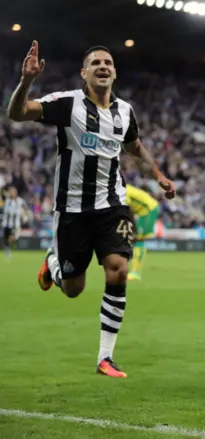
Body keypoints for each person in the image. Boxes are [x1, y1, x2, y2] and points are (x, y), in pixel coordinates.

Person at [7, 41, 175, 377]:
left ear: (114, 72)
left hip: (112, 205)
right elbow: (18, 113)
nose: (103, 66)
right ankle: (53, 264)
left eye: (108, 63)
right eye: (95, 62)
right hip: (72, 209)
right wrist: (26, 80)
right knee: (73, 288)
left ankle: (105, 357)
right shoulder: (67, 103)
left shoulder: (125, 111)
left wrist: (157, 175)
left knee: (118, 269)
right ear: (84, 73)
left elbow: (135, 148)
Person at [125, 184, 160, 281]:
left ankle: (135, 273)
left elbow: (128, 210)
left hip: (148, 210)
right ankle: (126, 267)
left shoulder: (121, 191)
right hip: (143, 211)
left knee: (138, 239)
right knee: (132, 240)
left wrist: (133, 229)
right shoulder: (122, 187)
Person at [2, 186, 28, 261]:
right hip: (6, 223)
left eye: (13, 191)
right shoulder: (6, 200)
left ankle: (10, 246)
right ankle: (8, 251)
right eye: (11, 191)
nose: (12, 193)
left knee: (12, 237)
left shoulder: (19, 200)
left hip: (15, 225)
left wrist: (25, 215)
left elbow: (25, 207)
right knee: (6, 239)